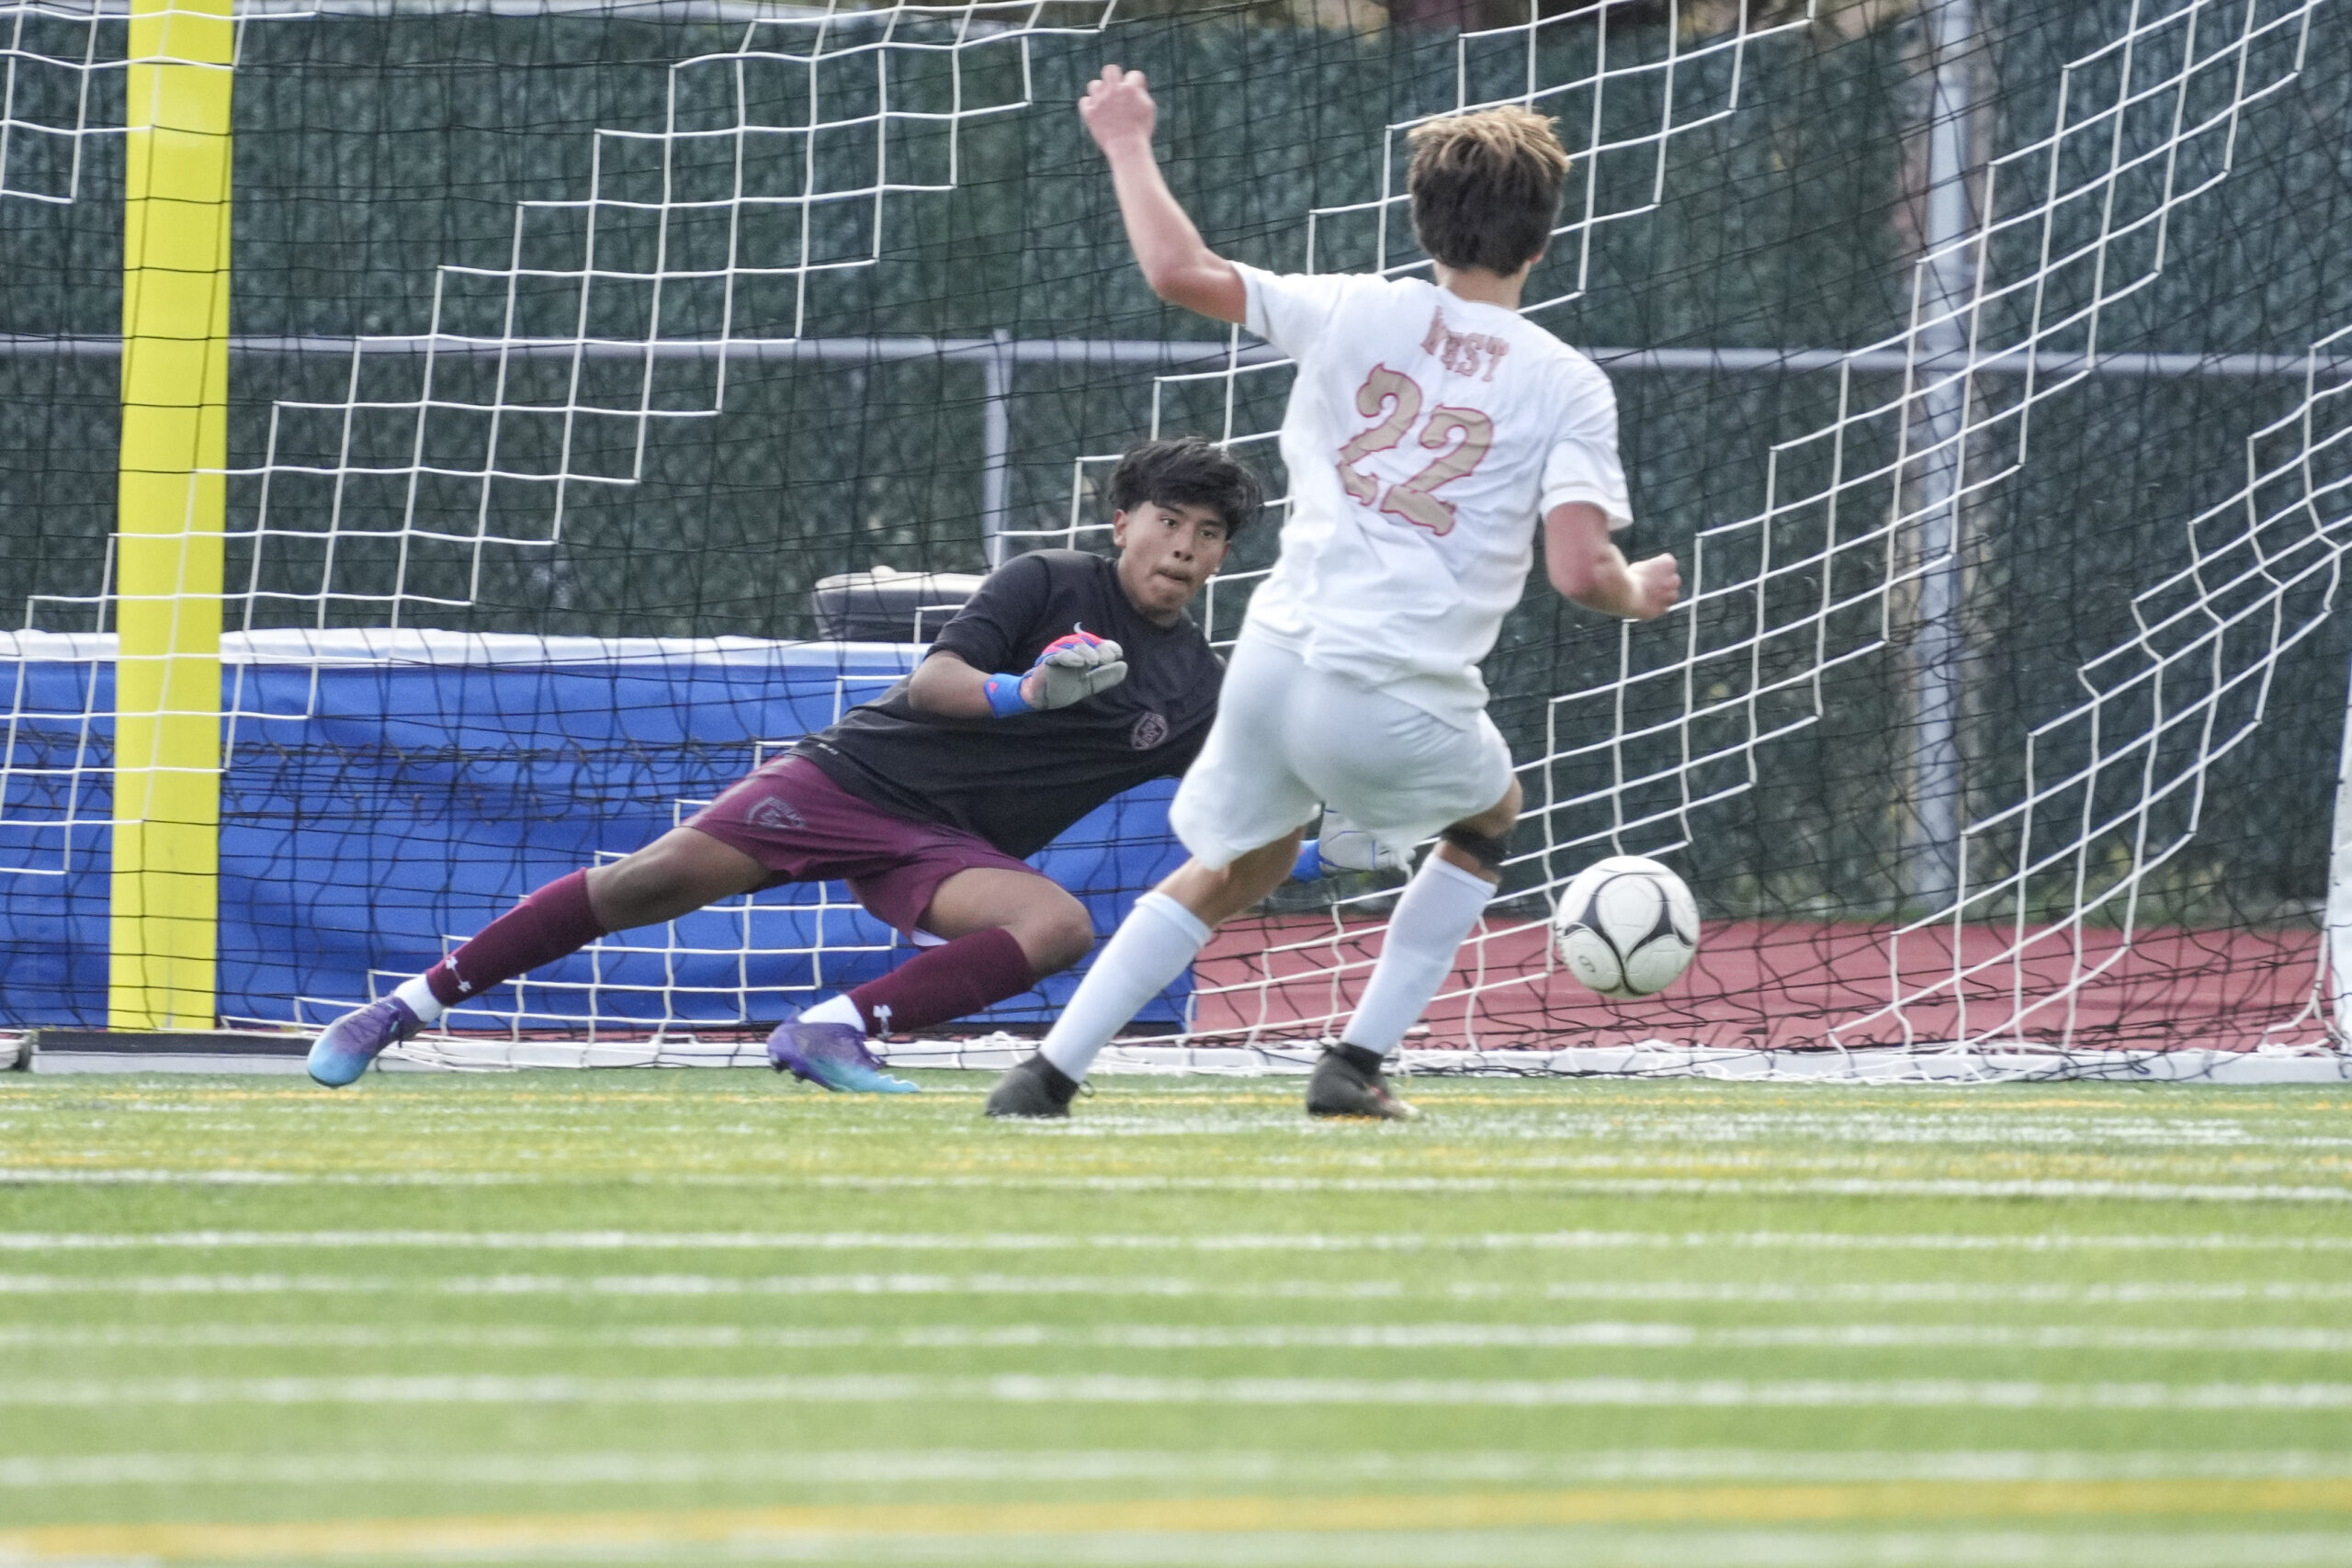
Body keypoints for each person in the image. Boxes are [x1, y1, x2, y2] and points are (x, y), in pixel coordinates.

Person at [984, 73, 1680, 1121]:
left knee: (1241, 862)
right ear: (1541, 245)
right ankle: (1353, 1062)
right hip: (1387, 685)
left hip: (1269, 661)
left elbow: (1178, 271)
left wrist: (1126, 140)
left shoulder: (1359, 305)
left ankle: (1044, 1076)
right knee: (1489, 815)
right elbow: (1581, 572)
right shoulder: (1566, 381)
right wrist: (1637, 592)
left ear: (1421, 223)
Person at [307, 436, 1263, 1091]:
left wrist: (1334, 809)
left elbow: (1232, 798)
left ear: (1222, 557)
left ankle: (830, 1029)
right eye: (1168, 520)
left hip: (950, 848)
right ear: (1122, 520)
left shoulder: (1193, 684)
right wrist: (1022, 692)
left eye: (1208, 534)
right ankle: (400, 1011)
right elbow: (936, 684)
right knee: (650, 882)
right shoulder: (1048, 581)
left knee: (1054, 924)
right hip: (856, 780)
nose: (1183, 546)